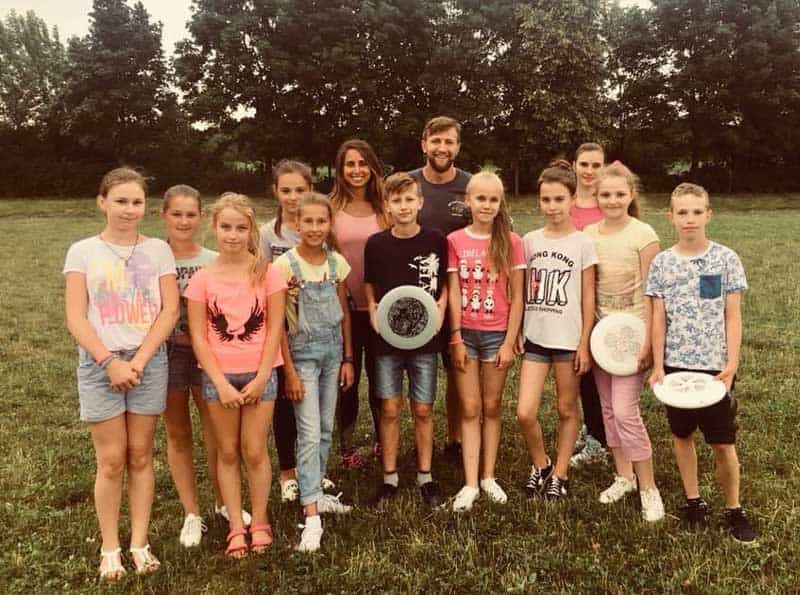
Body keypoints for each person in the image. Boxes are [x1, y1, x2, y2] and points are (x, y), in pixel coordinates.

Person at [64, 167, 179, 579]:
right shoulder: (82, 251)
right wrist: (109, 362)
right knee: (111, 460)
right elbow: (76, 316)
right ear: (102, 202)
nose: (129, 210)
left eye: (136, 202)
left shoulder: (159, 251)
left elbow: (170, 310)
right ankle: (110, 547)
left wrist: (140, 360)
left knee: (141, 454)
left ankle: (139, 543)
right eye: (120, 201)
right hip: (101, 363)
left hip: (148, 361)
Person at [647, 183, 756, 543]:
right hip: (675, 368)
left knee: (723, 442)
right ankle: (693, 502)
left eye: (696, 212)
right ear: (671, 217)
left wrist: (732, 363)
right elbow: (658, 318)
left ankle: (734, 509)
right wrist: (659, 366)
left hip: (715, 369)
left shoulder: (726, 259)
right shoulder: (662, 263)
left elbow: (732, 316)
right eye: (682, 212)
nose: (689, 219)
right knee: (682, 435)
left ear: (708, 214)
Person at [184, 193, 286, 558]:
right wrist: (220, 383)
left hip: (261, 375)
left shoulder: (267, 273)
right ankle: (235, 526)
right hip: (218, 380)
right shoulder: (202, 279)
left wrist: (262, 377)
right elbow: (198, 336)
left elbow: (274, 329)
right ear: (214, 227)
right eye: (226, 227)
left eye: (241, 228)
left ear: (251, 230)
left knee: (254, 450)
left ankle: (259, 520)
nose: (233, 235)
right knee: (227, 451)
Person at [274, 192, 355, 553]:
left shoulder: (337, 264)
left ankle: (317, 491)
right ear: (296, 223)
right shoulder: (285, 266)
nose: (315, 227)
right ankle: (311, 516)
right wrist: (289, 371)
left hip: (333, 354)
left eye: (321, 221)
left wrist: (348, 358)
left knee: (324, 428)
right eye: (308, 221)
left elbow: (344, 313)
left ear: (329, 224)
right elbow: (278, 323)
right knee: (307, 433)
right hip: (302, 357)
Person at [161, 184, 242, 548]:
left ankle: (224, 502)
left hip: (209, 354)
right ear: (164, 215)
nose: (183, 221)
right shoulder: (154, 257)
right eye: (176, 214)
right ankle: (191, 512)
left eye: (190, 214)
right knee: (178, 432)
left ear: (202, 217)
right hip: (168, 353)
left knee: (217, 434)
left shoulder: (213, 259)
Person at [584, 162, 665, 522]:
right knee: (607, 409)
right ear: (596, 197)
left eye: (619, 194)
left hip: (635, 334)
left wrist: (650, 342)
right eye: (606, 194)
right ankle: (624, 477)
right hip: (602, 335)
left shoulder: (644, 234)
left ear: (631, 195)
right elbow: (588, 289)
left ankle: (649, 488)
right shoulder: (589, 234)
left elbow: (653, 294)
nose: (613, 200)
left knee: (625, 411)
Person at [365, 172, 448, 509]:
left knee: (423, 408)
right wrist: (372, 309)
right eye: (396, 200)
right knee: (389, 407)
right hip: (387, 340)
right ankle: (389, 478)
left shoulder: (435, 240)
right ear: (386, 205)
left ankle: (426, 476)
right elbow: (369, 283)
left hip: (425, 339)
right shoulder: (376, 244)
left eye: (409, 199)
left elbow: (444, 283)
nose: (403, 206)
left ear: (420, 202)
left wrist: (441, 309)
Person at [516, 161, 597, 501]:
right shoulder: (529, 241)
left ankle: (559, 475)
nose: (552, 206)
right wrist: (518, 329)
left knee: (567, 409)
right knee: (524, 412)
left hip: (568, 340)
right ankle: (542, 463)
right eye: (546, 199)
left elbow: (588, 297)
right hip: (536, 337)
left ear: (572, 199)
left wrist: (584, 343)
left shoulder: (583, 243)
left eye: (559, 199)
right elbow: (520, 290)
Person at [446, 172, 524, 511]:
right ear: (468, 201)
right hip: (466, 335)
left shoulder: (512, 241)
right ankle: (470, 483)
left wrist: (509, 342)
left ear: (500, 203)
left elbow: (518, 297)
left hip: (496, 335)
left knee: (492, 406)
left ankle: (489, 476)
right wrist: (455, 337)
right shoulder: (454, 241)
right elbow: (453, 292)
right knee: (470, 408)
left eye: (493, 199)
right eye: (481, 198)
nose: (487, 205)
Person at [410, 116, 472, 464]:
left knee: (456, 370)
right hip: (412, 293)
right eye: (436, 141)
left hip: (458, 295)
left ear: (458, 147)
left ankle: (455, 438)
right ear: (424, 144)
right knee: (414, 369)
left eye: (449, 142)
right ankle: (419, 437)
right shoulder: (407, 184)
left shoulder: (470, 186)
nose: (442, 148)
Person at [330, 139, 388, 468]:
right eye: (350, 164)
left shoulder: (386, 209)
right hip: (343, 310)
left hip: (380, 309)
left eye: (363, 163)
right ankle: (347, 445)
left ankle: (383, 440)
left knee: (381, 379)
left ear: (372, 168)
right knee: (347, 380)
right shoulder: (330, 208)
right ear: (340, 170)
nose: (357, 170)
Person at [260, 159, 312, 504]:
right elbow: (261, 278)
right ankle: (288, 472)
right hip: (281, 326)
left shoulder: (318, 224)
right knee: (283, 401)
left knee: (312, 401)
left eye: (300, 190)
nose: (293, 197)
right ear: (276, 192)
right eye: (286, 190)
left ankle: (313, 466)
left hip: (314, 325)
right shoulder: (268, 234)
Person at [569, 142, 609, 467]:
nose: (589, 171)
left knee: (597, 372)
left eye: (596, 165)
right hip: (570, 300)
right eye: (584, 164)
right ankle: (591, 426)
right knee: (579, 370)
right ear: (574, 165)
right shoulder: (565, 203)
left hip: (602, 299)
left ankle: (600, 439)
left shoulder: (609, 203)